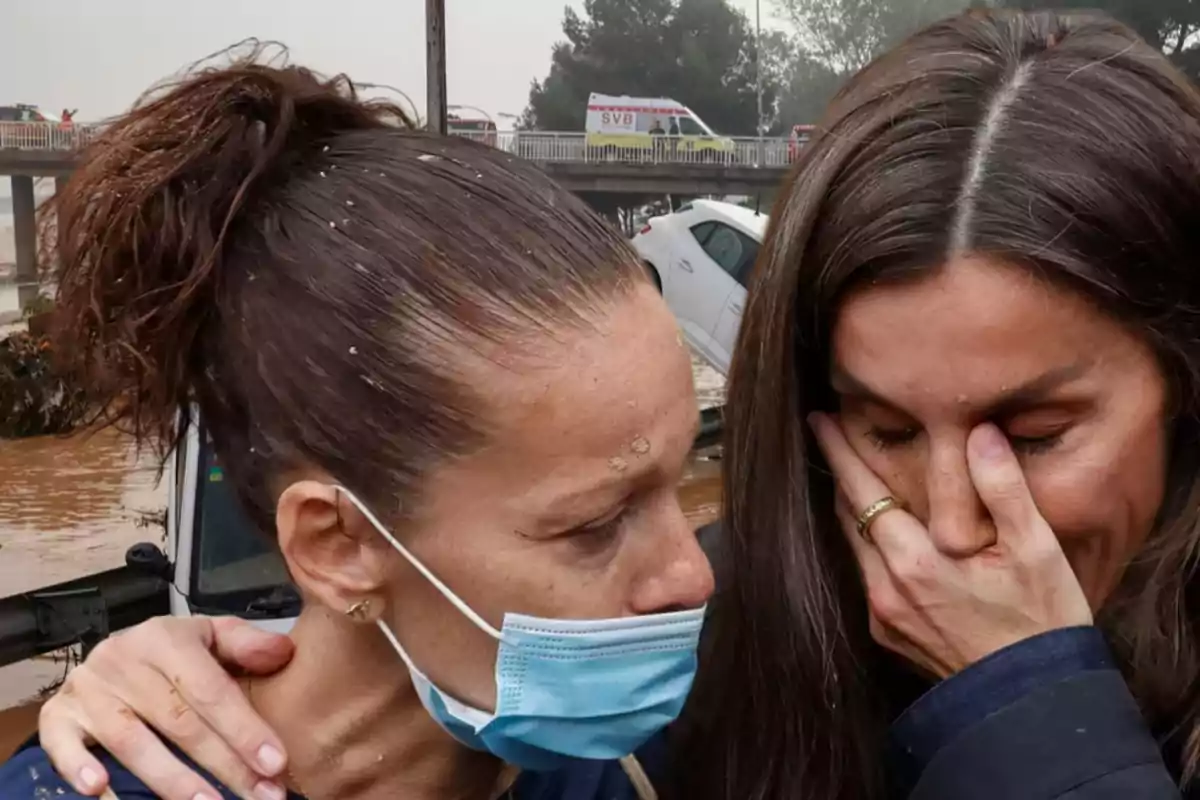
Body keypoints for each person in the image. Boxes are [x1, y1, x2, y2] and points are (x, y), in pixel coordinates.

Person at [18, 8, 1200, 799]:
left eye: (1036, 435)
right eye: (883, 430)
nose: (948, 524)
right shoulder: (716, 674)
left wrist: (1034, 708)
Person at [0, 44, 712, 800]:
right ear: (338, 545)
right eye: (597, 524)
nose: (693, 575)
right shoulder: (95, 781)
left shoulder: (659, 750)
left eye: (681, 476)